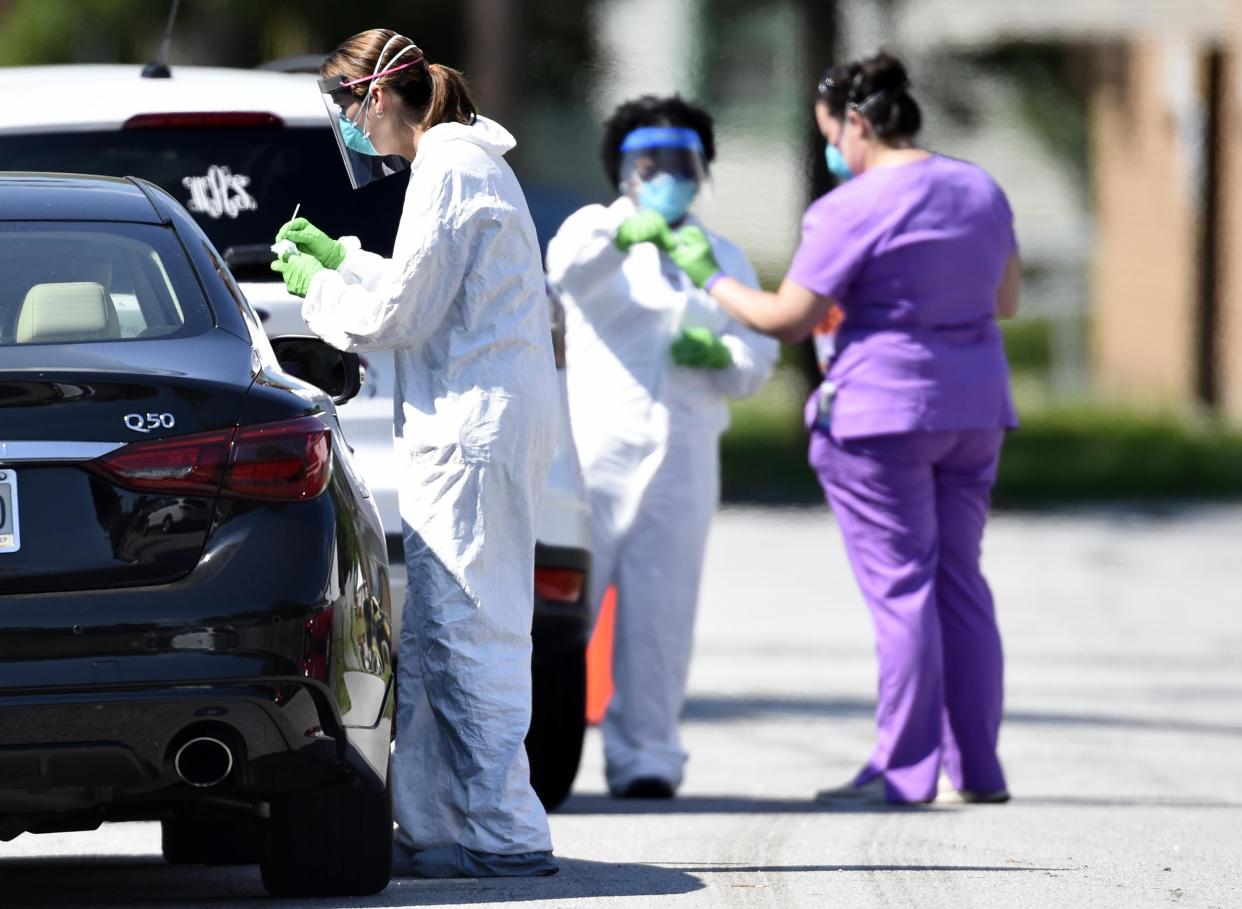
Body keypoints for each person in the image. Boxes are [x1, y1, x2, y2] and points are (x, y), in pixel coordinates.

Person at [665, 52, 1021, 806]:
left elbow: (788, 318)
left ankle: (903, 771)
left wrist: (711, 276)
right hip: (976, 407)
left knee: (904, 589)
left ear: (856, 123)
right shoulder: (979, 188)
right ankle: (978, 769)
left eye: (832, 134)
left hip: (881, 416)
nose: (833, 151)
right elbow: (1008, 299)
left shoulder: (851, 205)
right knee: (961, 582)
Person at [270, 29, 559, 876]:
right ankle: (439, 829)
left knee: (473, 631)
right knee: (432, 637)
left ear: (380, 97)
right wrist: (347, 259)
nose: (350, 130)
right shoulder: (456, 166)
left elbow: (401, 318)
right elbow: (419, 287)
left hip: (473, 435)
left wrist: (320, 286)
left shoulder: (452, 168)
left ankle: (509, 835)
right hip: (465, 429)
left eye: (347, 108)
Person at [546, 96, 779, 799]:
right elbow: (565, 272)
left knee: (662, 612)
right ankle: (532, 758)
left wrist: (718, 352)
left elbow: (757, 359)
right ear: (624, 169)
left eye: (683, 164)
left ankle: (646, 752)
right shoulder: (595, 231)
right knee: (562, 617)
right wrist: (628, 235)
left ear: (702, 171)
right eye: (653, 163)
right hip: (594, 458)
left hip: (684, 456)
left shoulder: (723, 255)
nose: (668, 177)